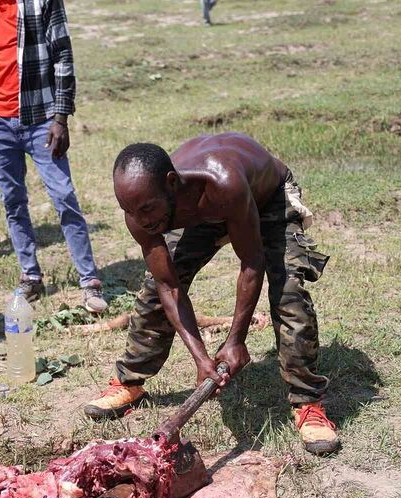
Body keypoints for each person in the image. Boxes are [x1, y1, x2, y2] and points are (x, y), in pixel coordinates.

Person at [83, 133, 338, 455]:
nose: (143, 221)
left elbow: (251, 261)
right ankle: (129, 381)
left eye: (147, 208)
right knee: (152, 296)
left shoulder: (222, 183)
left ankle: (308, 402)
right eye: (132, 211)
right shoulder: (141, 213)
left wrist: (235, 340)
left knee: (288, 292)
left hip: (265, 198)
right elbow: (168, 286)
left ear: (171, 183)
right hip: (198, 209)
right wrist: (201, 358)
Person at [0, 0, 107, 313]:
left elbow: (63, 55)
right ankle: (31, 276)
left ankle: (89, 280)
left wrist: (61, 117)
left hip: (41, 117)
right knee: (13, 201)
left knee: (64, 196)